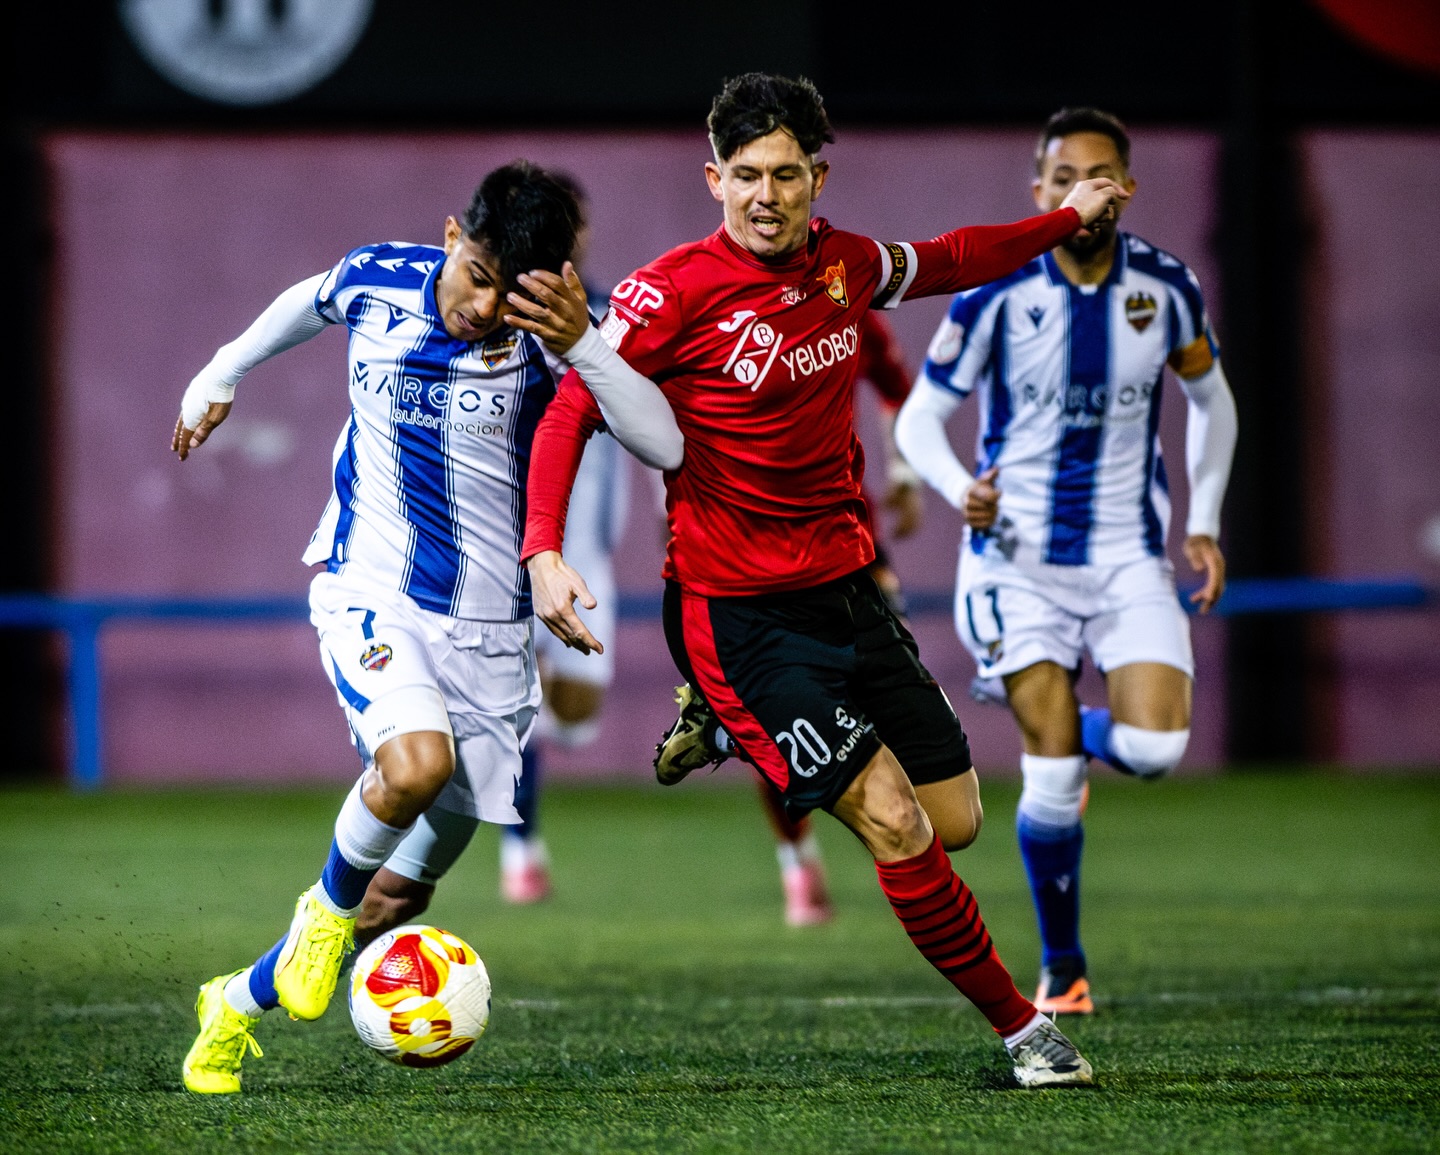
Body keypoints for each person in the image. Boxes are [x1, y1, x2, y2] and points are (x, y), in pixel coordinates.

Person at [515, 73, 1126, 1087]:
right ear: (713, 179)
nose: (766, 195)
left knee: (956, 824)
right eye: (745, 175)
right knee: (894, 821)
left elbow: (951, 258)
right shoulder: (669, 292)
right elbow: (571, 411)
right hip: (735, 614)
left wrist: (1065, 218)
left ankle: (722, 723)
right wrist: (543, 549)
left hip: (845, 591)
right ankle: (1026, 1033)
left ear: (816, 178)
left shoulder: (844, 267)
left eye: (786, 175)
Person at [175, 161, 684, 1094]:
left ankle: (234, 1002)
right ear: (453, 236)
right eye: (477, 273)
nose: (485, 304)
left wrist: (589, 348)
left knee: (397, 895)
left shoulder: (551, 340)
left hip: (491, 634)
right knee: (413, 765)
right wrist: (221, 371)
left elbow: (665, 442)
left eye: (509, 289)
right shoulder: (380, 279)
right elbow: (309, 298)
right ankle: (320, 913)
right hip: (372, 588)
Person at [894, 108, 1238, 1016]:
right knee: (1049, 773)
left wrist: (1202, 520)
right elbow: (918, 418)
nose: (1081, 191)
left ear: (1124, 186)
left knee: (1159, 750)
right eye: (1061, 176)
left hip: (1128, 555)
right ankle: (1065, 968)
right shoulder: (999, 289)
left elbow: (1213, 400)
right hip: (1016, 563)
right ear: (1039, 191)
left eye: (1099, 174)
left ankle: (1066, 723)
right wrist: (958, 482)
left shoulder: (1165, 288)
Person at [754, 311, 922, 927]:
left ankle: (899, 840)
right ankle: (797, 859)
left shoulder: (843, 303)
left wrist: (903, 474)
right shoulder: (710, 306)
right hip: (755, 558)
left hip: (853, 544)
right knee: (776, 731)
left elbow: (898, 386)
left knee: (891, 701)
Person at [502, 172, 631, 904]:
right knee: (520, 701)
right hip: (511, 552)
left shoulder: (614, 319)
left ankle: (503, 726)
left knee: (576, 713)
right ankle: (521, 846)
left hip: (588, 556)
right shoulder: (493, 317)